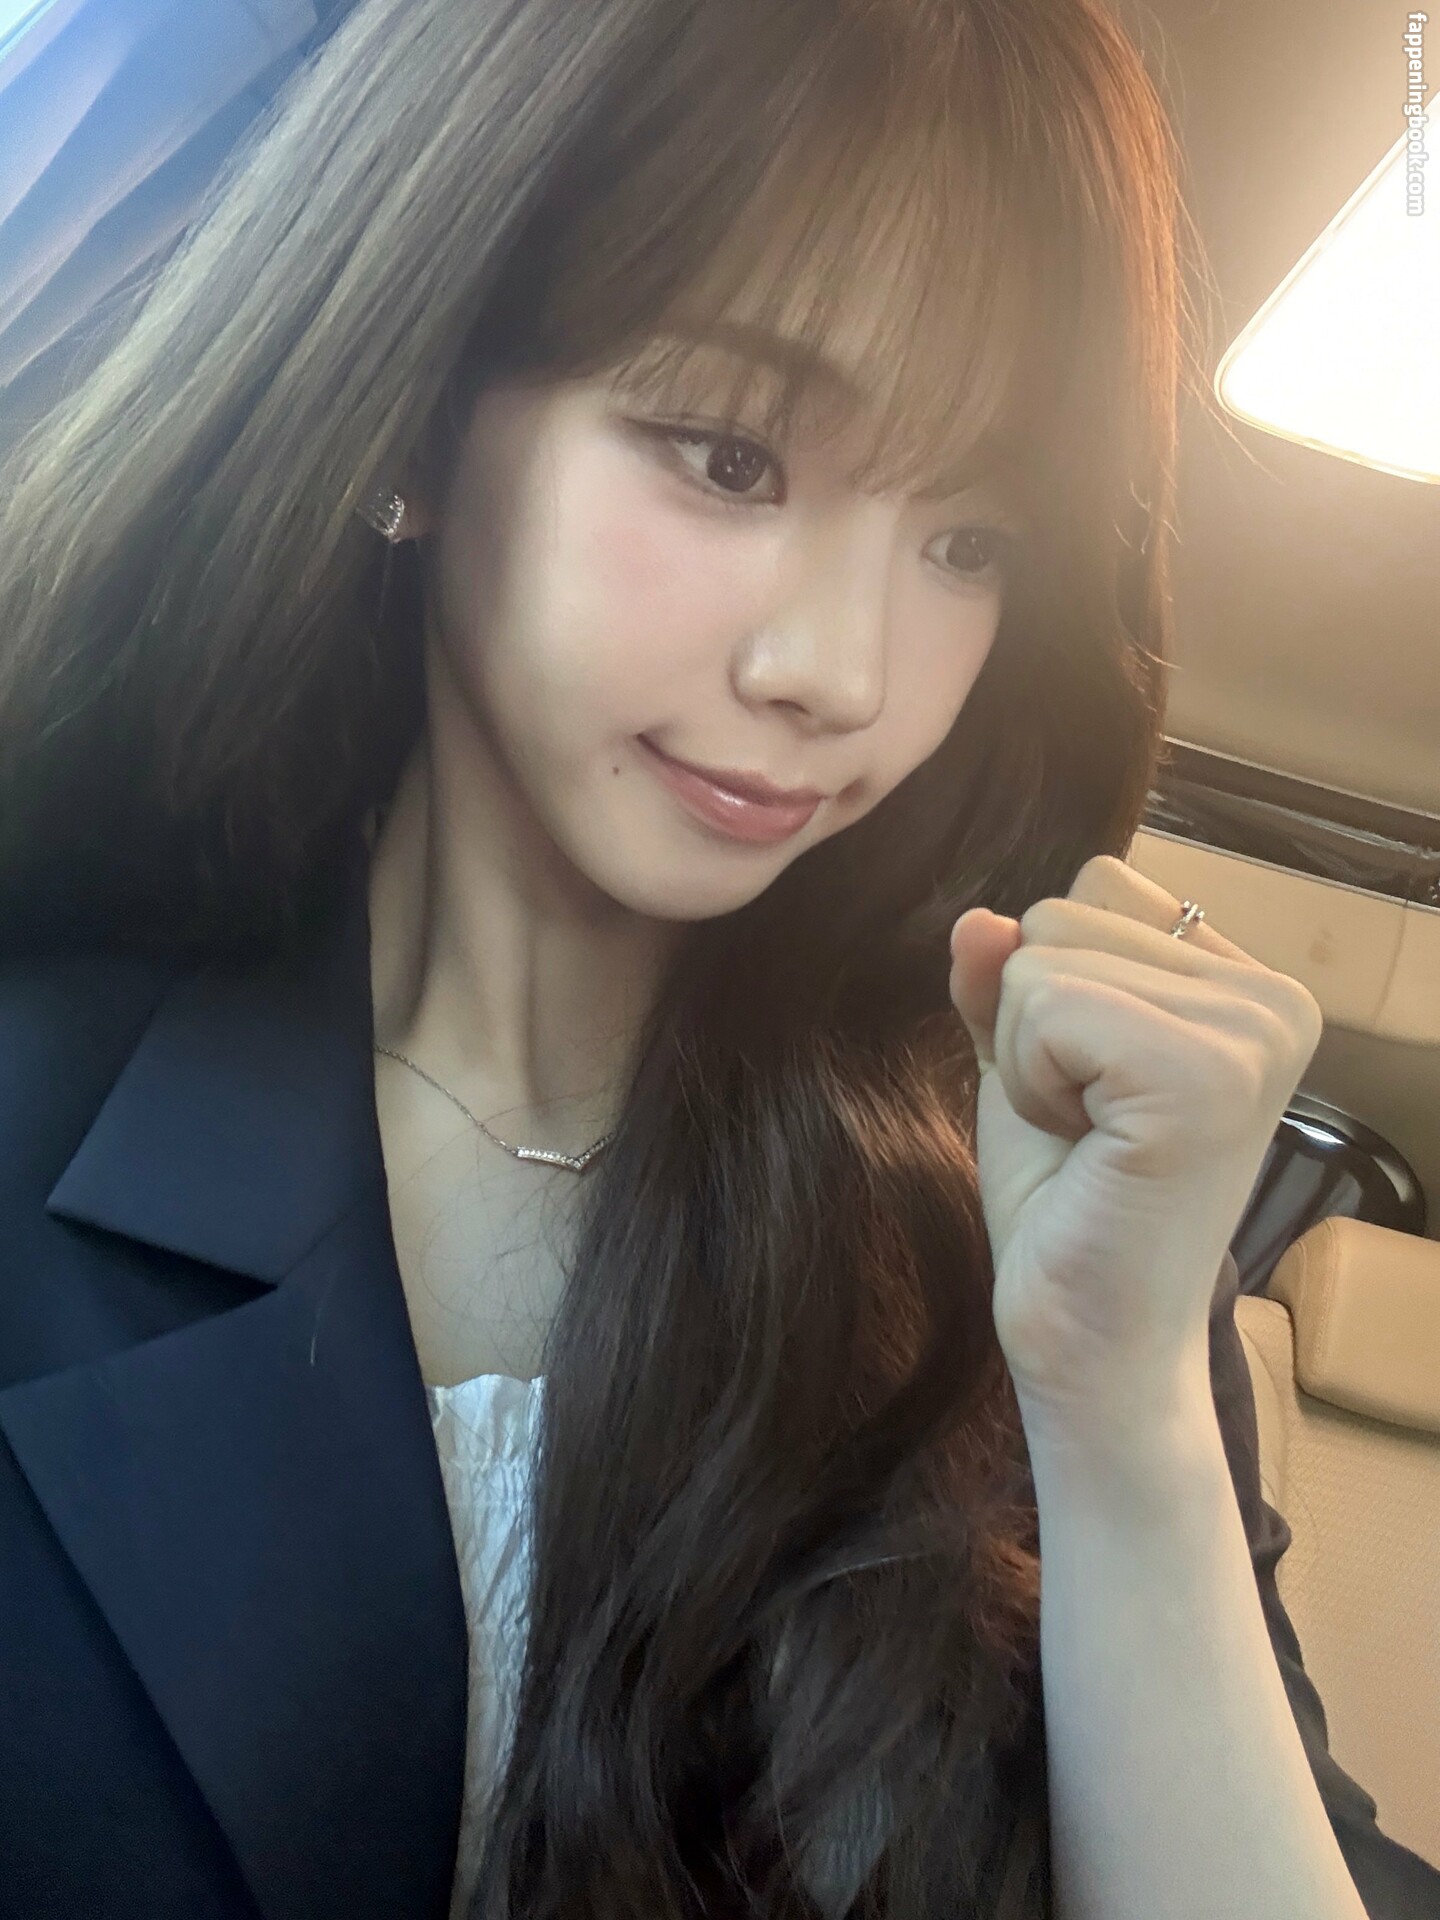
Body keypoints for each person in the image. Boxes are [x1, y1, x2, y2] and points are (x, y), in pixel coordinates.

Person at [0, 0, 1436, 1916]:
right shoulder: (35, 1101)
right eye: (729, 457)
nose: (841, 674)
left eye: (971, 541)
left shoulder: (1035, 1239)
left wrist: (1126, 1419)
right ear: (415, 415)